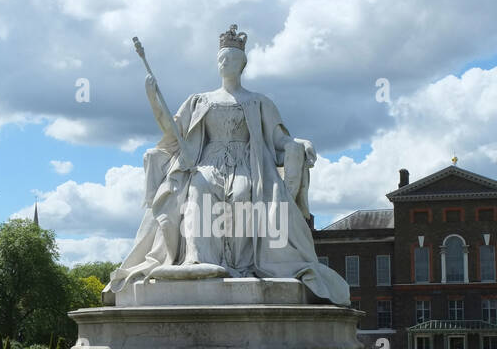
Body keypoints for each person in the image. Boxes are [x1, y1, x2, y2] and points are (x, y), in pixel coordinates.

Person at [105, 25, 348, 304]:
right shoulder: (200, 100)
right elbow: (171, 131)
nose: (224, 62)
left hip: (246, 164)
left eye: (230, 58)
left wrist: (299, 144)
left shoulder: (259, 102)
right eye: (221, 57)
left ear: (241, 64)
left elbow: (280, 139)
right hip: (207, 162)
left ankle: (241, 267)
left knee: (244, 193)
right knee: (198, 189)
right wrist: (153, 98)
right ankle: (197, 260)